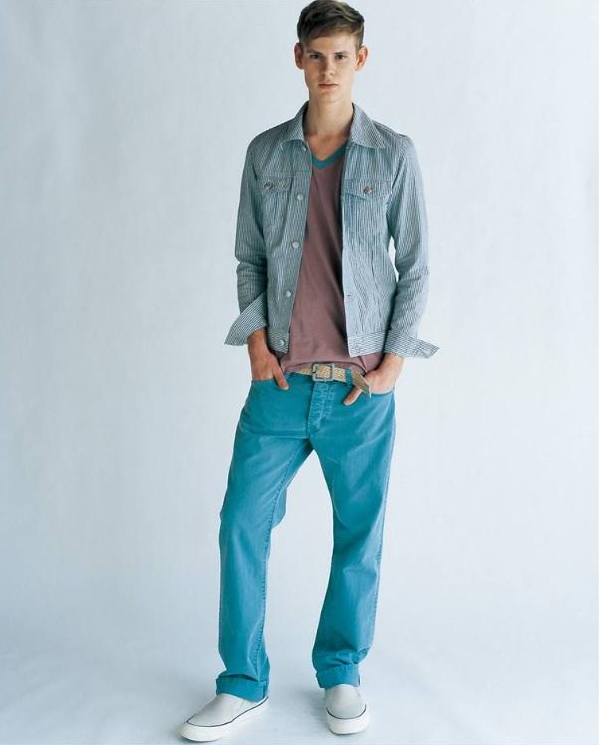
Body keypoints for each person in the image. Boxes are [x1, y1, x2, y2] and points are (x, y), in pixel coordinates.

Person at [179, 0, 439, 739]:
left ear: (362, 59)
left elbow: (417, 265)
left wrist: (392, 364)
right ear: (298, 58)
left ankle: (341, 671)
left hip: (358, 389)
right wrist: (257, 345)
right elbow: (250, 258)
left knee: (360, 531)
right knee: (241, 522)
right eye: (316, 55)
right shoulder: (265, 153)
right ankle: (242, 681)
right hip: (281, 384)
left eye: (341, 56)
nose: (328, 69)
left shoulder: (395, 154)